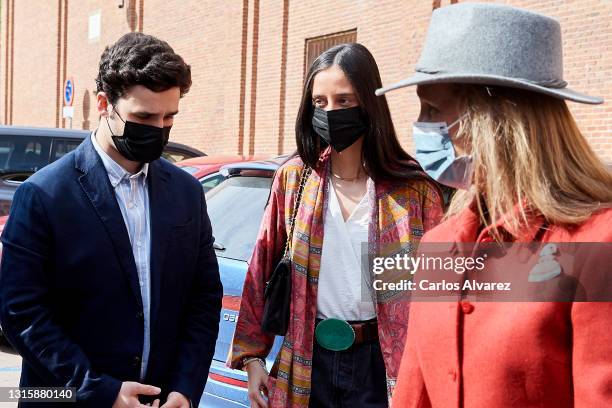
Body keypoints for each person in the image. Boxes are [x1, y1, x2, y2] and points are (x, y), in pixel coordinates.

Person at [375, 3, 612, 407]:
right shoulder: (439, 242)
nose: (420, 124)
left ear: (495, 117)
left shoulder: (596, 245)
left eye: (433, 109)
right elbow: (414, 393)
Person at [0, 32, 222, 408]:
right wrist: (101, 391)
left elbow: (203, 298)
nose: (158, 129)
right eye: (143, 117)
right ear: (104, 103)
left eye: (169, 117)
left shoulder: (187, 193)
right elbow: (22, 313)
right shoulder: (44, 195)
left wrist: (185, 388)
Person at [229, 43, 444, 408]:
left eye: (344, 101)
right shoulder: (294, 180)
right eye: (320, 102)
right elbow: (261, 266)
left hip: (383, 364)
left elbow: (439, 293)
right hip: (307, 360)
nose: (330, 112)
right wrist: (252, 358)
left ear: (370, 104)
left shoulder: (414, 190)